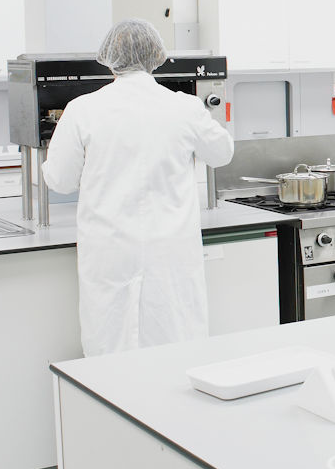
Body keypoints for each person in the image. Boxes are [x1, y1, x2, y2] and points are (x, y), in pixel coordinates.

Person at [42, 19, 234, 357]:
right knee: (174, 346)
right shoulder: (184, 107)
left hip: (110, 249)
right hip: (170, 249)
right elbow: (222, 153)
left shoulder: (83, 109)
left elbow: (59, 180)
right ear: (157, 56)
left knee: (110, 349)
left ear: (108, 58)